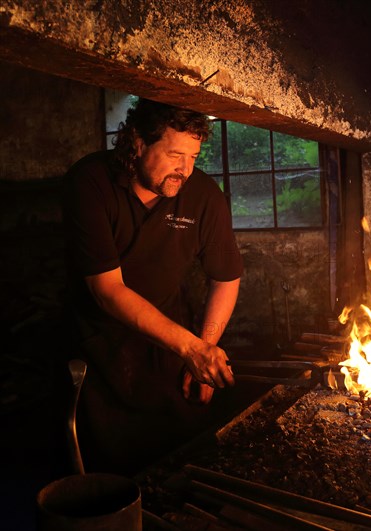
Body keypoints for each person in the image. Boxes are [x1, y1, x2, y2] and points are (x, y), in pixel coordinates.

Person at [62, 98, 243, 474]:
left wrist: (204, 348)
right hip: (100, 345)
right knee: (109, 468)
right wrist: (193, 348)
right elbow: (106, 290)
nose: (185, 170)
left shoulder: (204, 195)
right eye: (175, 155)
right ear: (138, 143)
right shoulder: (90, 182)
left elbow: (226, 277)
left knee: (178, 456)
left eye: (194, 156)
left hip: (172, 336)